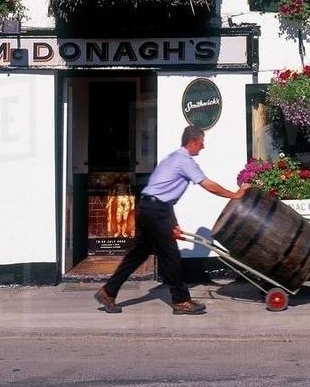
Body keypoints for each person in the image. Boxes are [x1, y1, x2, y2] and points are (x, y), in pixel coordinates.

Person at [95, 125, 246, 315]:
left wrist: (172, 223)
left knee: (137, 255)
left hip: (147, 206)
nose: (203, 146)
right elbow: (209, 186)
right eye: (201, 143)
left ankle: (108, 292)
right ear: (192, 142)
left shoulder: (171, 158)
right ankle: (181, 301)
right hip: (156, 211)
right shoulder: (185, 161)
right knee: (171, 256)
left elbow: (163, 192)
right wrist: (235, 195)